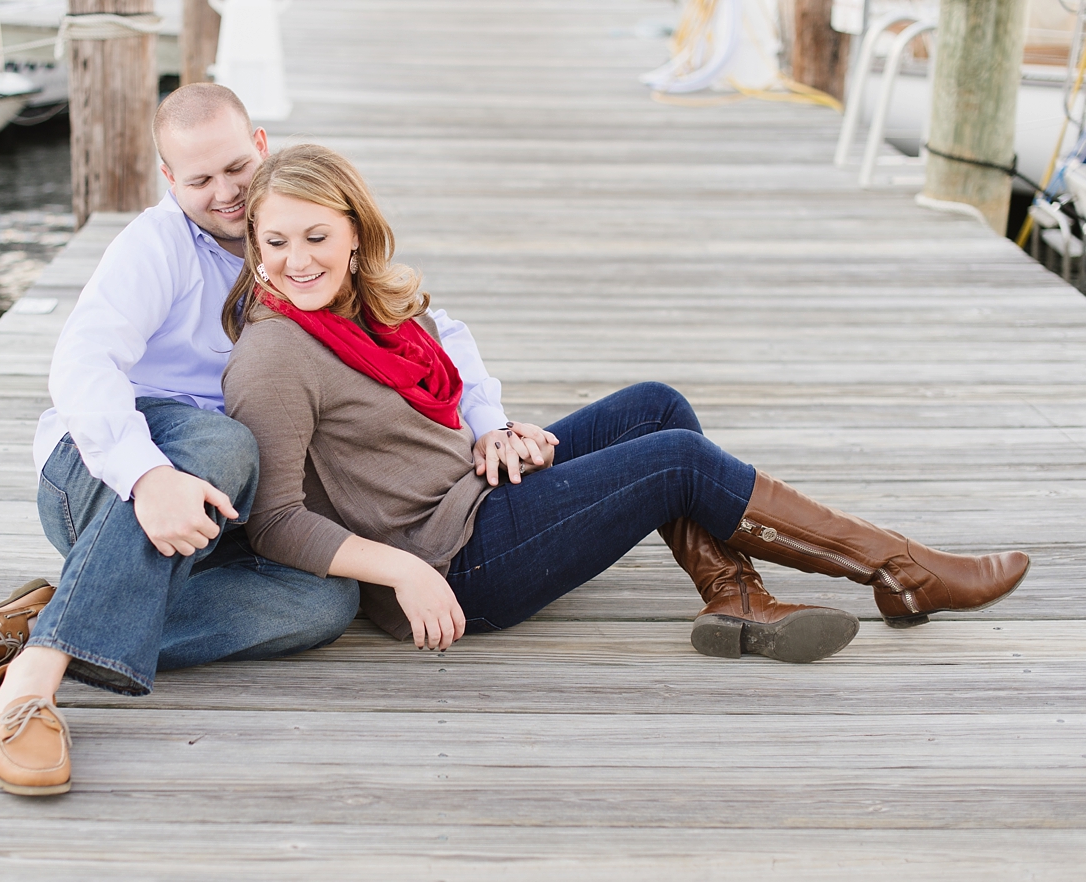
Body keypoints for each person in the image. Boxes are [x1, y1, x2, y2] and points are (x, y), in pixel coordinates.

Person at [0, 84, 515, 797]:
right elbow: (82, 363)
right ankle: (31, 685)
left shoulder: (298, 226)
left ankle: (57, 614)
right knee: (220, 442)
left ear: (260, 147)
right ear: (170, 180)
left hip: (219, 504)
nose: (225, 193)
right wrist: (146, 474)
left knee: (324, 603)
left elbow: (431, 325)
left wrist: (489, 424)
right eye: (198, 180)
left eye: (236, 168)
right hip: (105, 475)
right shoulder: (154, 246)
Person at [220, 143, 1031, 665]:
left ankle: (735, 597)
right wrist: (400, 571)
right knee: (675, 461)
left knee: (654, 406)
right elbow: (277, 520)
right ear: (254, 246)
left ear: (355, 232)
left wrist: (495, 434)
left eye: (316, 237)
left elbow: (430, 416)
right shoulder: (275, 353)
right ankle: (902, 569)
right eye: (276, 241)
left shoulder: (372, 312)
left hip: (469, 495)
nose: (296, 261)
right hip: (449, 564)